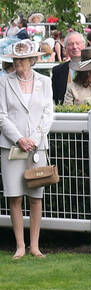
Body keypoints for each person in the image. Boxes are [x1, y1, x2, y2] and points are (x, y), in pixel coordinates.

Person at [0, 39, 55, 258]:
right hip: (11, 147)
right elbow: (1, 115)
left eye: (22, 59)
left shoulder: (45, 81)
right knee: (14, 196)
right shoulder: (4, 82)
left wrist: (32, 139)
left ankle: (34, 245)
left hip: (37, 148)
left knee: (35, 196)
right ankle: (20, 246)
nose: (19, 63)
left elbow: (48, 114)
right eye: (16, 59)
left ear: (33, 60)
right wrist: (19, 139)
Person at [50, 31, 86, 105]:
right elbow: (55, 97)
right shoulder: (58, 71)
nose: (75, 47)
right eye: (70, 44)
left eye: (78, 43)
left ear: (84, 46)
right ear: (65, 48)